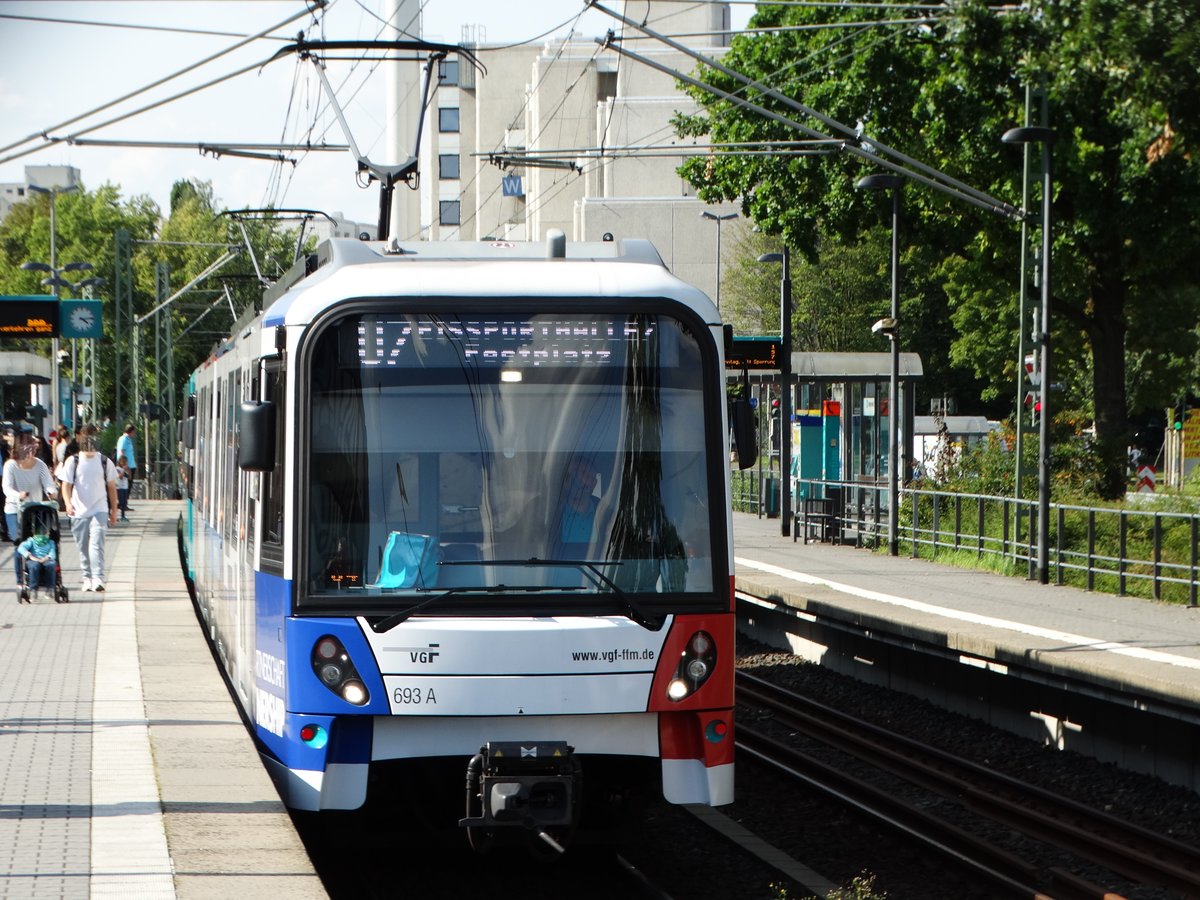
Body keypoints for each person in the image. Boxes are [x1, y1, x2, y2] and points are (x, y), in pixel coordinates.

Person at [61, 424, 119, 592]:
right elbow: (66, 485)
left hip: (99, 509)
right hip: (78, 510)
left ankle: (98, 578)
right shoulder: (73, 461)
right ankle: (87, 577)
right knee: (83, 547)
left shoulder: (104, 461)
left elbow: (111, 487)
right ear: (81, 440)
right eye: (87, 438)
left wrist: (113, 511)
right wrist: (68, 503)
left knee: (97, 542)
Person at [3, 434, 57, 585]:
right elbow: (7, 488)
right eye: (28, 449)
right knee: (20, 542)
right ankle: (20, 581)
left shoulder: (40, 465)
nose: (31, 453)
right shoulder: (11, 465)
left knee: (42, 542)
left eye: (33, 449)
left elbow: (48, 483)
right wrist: (18, 495)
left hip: (35, 510)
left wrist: (51, 492)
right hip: (15, 509)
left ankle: (43, 578)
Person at [16, 521, 56, 600]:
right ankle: (33, 589)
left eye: (45, 533)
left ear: (48, 534)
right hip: (33, 558)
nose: (42, 536)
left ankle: (50, 588)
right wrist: (30, 555)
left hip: (46, 559)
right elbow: (21, 548)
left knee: (51, 565)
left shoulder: (51, 542)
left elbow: (52, 553)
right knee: (34, 566)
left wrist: (46, 558)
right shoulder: (31, 541)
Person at [115, 423, 137, 511]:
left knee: (128, 485)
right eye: (134, 432)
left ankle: (124, 503)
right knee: (124, 485)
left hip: (131, 465)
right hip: (126, 466)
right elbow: (122, 452)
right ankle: (122, 503)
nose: (134, 434)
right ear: (130, 431)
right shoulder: (123, 439)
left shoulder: (128, 439)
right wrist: (124, 465)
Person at [115, 453, 130, 522]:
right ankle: (113, 514)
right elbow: (120, 477)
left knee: (124, 502)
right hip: (119, 487)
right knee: (120, 502)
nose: (124, 463)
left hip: (125, 487)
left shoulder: (127, 468)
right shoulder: (117, 468)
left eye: (126, 462)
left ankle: (123, 515)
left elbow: (129, 477)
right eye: (123, 462)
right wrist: (123, 470)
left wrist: (128, 471)